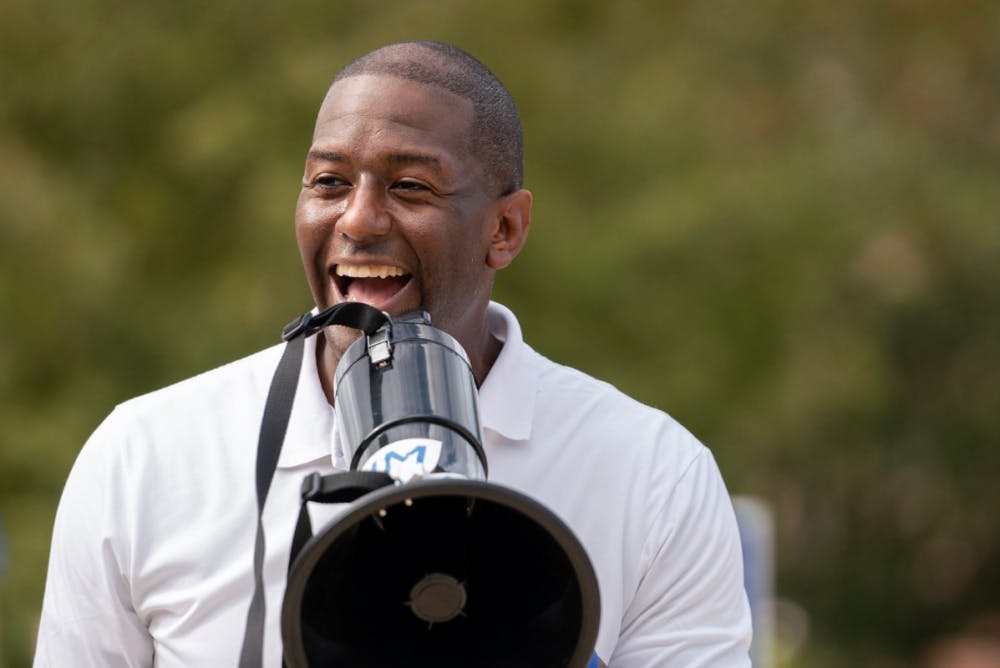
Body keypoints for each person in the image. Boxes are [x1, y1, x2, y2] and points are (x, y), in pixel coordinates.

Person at [34, 41, 752, 667]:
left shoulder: (653, 473)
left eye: (409, 186)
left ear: (504, 228)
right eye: (329, 183)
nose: (359, 218)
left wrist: (540, 635)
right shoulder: (144, 455)